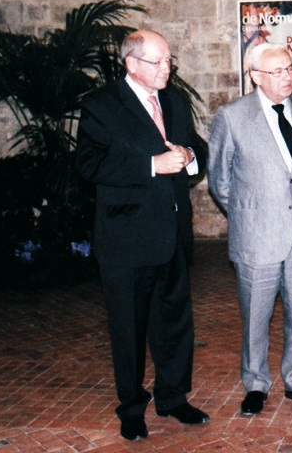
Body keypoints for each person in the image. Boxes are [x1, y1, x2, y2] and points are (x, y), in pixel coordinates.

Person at [76, 30, 210, 441]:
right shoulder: (101, 105)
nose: (167, 69)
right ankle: (132, 409)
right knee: (129, 329)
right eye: (159, 62)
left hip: (171, 233)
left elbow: (195, 148)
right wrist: (152, 166)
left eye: (170, 61)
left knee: (173, 324)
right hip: (126, 238)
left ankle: (173, 398)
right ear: (132, 64)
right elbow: (89, 165)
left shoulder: (174, 100)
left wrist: (188, 157)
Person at [208, 43, 292, 415]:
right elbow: (219, 180)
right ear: (255, 76)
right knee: (255, 315)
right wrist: (250, 213)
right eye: (277, 72)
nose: (287, 77)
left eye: (290, 69)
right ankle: (256, 383)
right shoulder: (232, 117)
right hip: (257, 234)